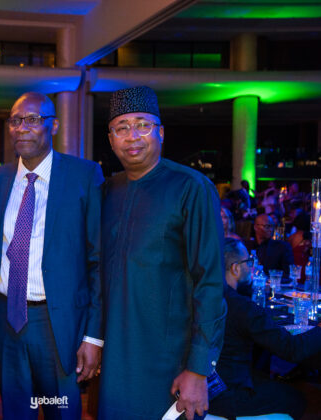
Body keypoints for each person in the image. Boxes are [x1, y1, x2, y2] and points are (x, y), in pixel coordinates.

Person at [98, 86, 226, 420]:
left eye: (143, 125)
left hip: (169, 362)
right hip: (114, 357)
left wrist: (198, 368)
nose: (133, 136)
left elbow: (210, 282)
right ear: (110, 139)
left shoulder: (191, 187)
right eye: (122, 127)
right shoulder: (108, 190)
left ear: (161, 132)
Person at [0, 92, 104, 419]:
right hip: (6, 319)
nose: (22, 128)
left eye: (33, 119)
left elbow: (98, 262)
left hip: (58, 323)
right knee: (17, 411)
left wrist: (93, 335)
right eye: (15, 121)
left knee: (61, 409)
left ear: (54, 125)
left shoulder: (84, 176)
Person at [209, 238, 321, 419]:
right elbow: (292, 349)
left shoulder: (207, 297)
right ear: (235, 268)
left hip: (209, 384)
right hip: (229, 395)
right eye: (248, 262)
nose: (252, 267)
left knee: (268, 375)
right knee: (298, 399)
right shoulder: (242, 307)